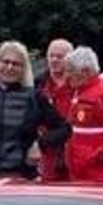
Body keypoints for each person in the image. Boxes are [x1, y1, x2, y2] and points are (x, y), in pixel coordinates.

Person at [0, 40, 69, 179]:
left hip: (23, 178)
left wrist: (41, 144)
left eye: (16, 64)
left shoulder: (35, 97)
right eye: (5, 62)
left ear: (23, 68)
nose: (10, 67)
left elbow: (65, 129)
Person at [55, 47, 103, 183]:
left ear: (86, 72)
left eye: (70, 71)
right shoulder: (78, 91)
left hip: (100, 174)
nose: (67, 75)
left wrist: (97, 157)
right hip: (78, 172)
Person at [37, 38, 74, 180]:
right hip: (47, 156)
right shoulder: (38, 86)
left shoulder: (79, 85)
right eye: (51, 56)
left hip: (75, 155)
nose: (54, 60)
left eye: (60, 56)